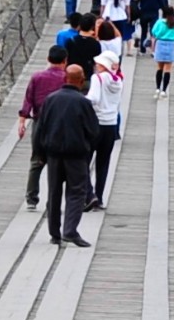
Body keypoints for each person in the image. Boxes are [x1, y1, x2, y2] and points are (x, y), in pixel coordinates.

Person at [33, 64, 99, 247]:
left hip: (53, 154)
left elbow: (41, 127)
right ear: (81, 79)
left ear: (65, 78)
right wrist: (87, 147)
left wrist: (40, 153)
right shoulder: (83, 103)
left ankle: (54, 232)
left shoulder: (50, 100)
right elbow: (93, 130)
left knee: (54, 192)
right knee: (76, 192)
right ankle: (70, 230)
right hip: (76, 154)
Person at [19, 43, 70, 210]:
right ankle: (53, 200)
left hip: (40, 122)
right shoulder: (67, 78)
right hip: (60, 124)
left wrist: (22, 122)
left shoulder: (36, 77)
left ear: (48, 59)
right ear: (65, 61)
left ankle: (31, 198)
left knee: (36, 161)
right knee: (58, 162)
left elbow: (28, 100)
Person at [85, 47, 122, 212]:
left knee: (83, 161)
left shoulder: (97, 78)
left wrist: (79, 100)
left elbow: (93, 98)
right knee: (103, 162)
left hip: (95, 123)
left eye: (98, 63)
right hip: (111, 124)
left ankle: (89, 194)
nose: (95, 65)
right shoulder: (118, 80)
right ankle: (99, 198)